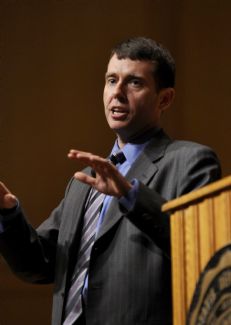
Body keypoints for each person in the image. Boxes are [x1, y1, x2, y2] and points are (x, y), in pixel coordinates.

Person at [0, 37, 221, 325]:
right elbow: (39, 264)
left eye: (134, 83)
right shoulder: (85, 181)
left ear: (164, 98)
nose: (117, 93)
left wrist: (130, 195)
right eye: (111, 80)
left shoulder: (190, 162)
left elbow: (198, 248)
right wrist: (7, 212)